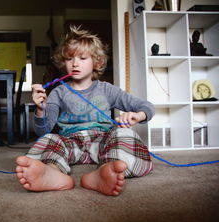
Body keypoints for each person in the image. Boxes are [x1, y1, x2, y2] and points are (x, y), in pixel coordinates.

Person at [15, 25, 155, 196]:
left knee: (124, 135)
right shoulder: (58, 92)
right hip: (70, 143)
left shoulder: (107, 89)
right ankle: (51, 172)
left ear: (97, 62)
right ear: (63, 62)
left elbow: (147, 106)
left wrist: (137, 115)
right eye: (69, 59)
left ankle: (104, 172)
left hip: (103, 142)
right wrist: (40, 109)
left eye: (82, 58)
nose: (75, 63)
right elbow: (43, 131)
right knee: (50, 139)